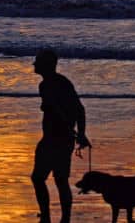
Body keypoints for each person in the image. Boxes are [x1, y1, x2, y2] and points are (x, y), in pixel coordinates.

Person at [31, 48, 91, 223]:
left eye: (38, 62)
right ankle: (63, 218)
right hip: (64, 139)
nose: (34, 64)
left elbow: (72, 109)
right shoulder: (61, 83)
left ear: (46, 65)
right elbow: (79, 109)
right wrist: (80, 133)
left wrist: (80, 132)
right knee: (60, 180)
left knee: (40, 178)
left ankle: (48, 217)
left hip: (53, 139)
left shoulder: (49, 85)